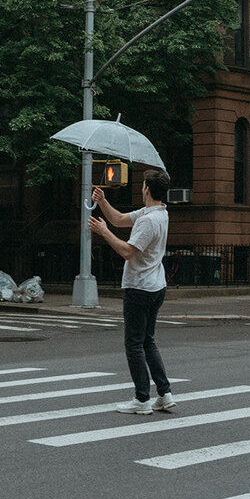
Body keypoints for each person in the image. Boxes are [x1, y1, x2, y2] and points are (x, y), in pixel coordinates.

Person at [88, 168, 175, 414]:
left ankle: (141, 399)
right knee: (148, 341)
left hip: (141, 288)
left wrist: (103, 232)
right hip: (155, 286)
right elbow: (119, 219)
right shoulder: (157, 212)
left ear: (146, 189)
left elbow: (128, 251)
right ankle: (165, 393)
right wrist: (103, 201)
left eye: (142, 184)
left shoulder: (149, 220)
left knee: (134, 344)